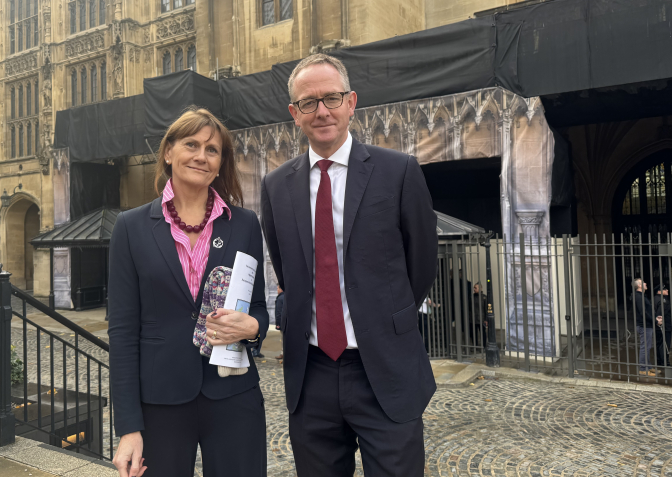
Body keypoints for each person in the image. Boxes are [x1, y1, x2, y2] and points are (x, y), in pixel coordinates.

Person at [260, 54, 438, 476]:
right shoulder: (276, 186)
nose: (321, 110)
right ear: (294, 114)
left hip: (385, 368)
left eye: (332, 98)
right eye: (309, 102)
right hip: (313, 373)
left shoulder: (398, 171)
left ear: (351, 102)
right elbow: (288, 272)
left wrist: (384, 320)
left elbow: (422, 262)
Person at [108, 108, 269, 477]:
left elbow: (259, 309)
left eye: (212, 150)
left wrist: (252, 327)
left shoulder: (244, 224)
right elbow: (122, 332)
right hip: (160, 402)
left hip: (233, 394)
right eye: (191, 144)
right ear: (168, 151)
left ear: (220, 163)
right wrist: (128, 427)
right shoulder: (130, 227)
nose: (201, 155)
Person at [632, 278, 662, 377]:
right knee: (645, 347)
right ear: (639, 285)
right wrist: (655, 321)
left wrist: (655, 318)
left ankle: (648, 367)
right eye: (643, 282)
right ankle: (643, 369)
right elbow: (643, 313)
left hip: (647, 325)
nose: (646, 283)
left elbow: (647, 311)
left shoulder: (641, 295)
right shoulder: (638, 296)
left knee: (647, 347)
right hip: (643, 326)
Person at [655, 284, 672, 368]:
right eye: (665, 289)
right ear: (660, 291)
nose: (667, 291)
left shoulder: (655, 298)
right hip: (664, 326)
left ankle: (659, 361)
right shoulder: (663, 300)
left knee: (659, 344)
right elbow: (661, 313)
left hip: (659, 326)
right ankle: (665, 362)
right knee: (665, 344)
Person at [275, 285, 285, 360]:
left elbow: (279, 312)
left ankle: (283, 354)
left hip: (282, 322)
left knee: (283, 339)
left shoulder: (280, 298)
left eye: (277, 288)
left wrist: (278, 324)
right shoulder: (287, 296)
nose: (277, 290)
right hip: (288, 322)